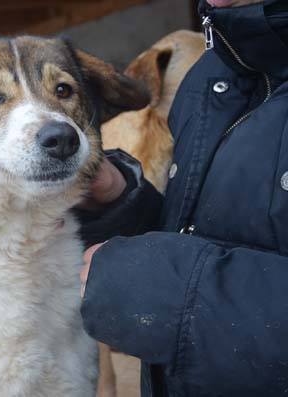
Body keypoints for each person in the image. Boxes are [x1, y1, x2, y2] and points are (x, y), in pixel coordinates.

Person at [77, 0, 288, 395]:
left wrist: (169, 294)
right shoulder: (212, 75)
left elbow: (181, 276)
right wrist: (121, 203)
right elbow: (204, 234)